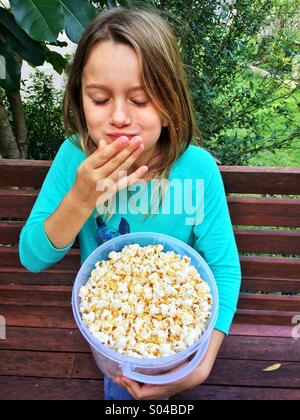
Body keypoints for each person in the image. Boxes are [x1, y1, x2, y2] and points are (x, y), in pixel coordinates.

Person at [19, 6, 241, 400]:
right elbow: (32, 256)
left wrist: (203, 364)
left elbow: (222, 268)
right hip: (114, 341)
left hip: (181, 338)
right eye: (100, 99)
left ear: (171, 105)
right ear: (79, 100)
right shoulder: (75, 159)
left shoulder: (197, 170)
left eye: (140, 100)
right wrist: (81, 197)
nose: (119, 117)